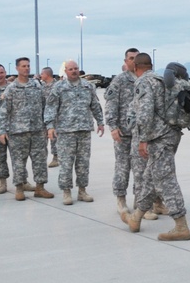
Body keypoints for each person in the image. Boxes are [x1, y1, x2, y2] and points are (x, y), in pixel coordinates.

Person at [119, 53, 190, 241]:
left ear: (135, 67)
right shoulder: (162, 80)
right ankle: (136, 218)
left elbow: (144, 114)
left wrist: (142, 139)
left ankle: (181, 225)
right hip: (171, 134)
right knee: (150, 178)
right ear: (151, 65)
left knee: (166, 180)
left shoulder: (144, 82)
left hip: (159, 138)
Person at [45, 60, 104, 205]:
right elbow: (50, 107)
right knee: (66, 163)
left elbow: (95, 105)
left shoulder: (87, 86)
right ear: (65, 71)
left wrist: (100, 121)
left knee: (83, 163)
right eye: (71, 69)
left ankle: (82, 191)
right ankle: (66, 192)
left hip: (84, 130)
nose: (74, 71)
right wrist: (50, 126)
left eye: (76, 68)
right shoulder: (59, 87)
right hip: (66, 132)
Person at [0, 57, 55, 201]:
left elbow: (45, 107)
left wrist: (48, 126)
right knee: (18, 161)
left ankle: (40, 187)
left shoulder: (37, 86)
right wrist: (2, 130)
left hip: (37, 130)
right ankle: (19, 188)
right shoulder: (11, 88)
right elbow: (4, 110)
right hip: (18, 132)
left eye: (28, 66)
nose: (26, 68)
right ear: (17, 68)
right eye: (23, 66)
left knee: (40, 160)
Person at [104, 48, 139, 213]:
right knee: (122, 168)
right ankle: (121, 200)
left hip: (141, 134)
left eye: (137, 58)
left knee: (142, 170)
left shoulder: (145, 79)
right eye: (131, 58)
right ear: (126, 61)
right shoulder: (120, 80)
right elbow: (111, 104)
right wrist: (113, 127)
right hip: (123, 133)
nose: (134, 61)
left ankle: (140, 204)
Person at [40, 66, 59, 168]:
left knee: (54, 138)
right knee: (43, 138)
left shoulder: (57, 86)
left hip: (54, 116)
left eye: (42, 74)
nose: (40, 75)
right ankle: (42, 159)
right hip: (43, 116)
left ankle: (56, 157)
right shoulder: (41, 86)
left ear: (47, 75)